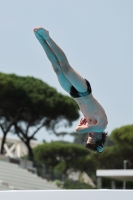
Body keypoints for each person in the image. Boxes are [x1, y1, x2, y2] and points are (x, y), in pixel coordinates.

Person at [33, 27, 108, 153]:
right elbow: (78, 130)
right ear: (99, 136)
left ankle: (41, 40)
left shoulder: (92, 127)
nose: (89, 135)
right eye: (91, 137)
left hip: (73, 94)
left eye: (88, 137)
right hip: (84, 91)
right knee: (65, 67)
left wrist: (83, 127)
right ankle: (47, 37)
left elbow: (80, 129)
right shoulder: (101, 126)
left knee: (56, 68)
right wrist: (81, 127)